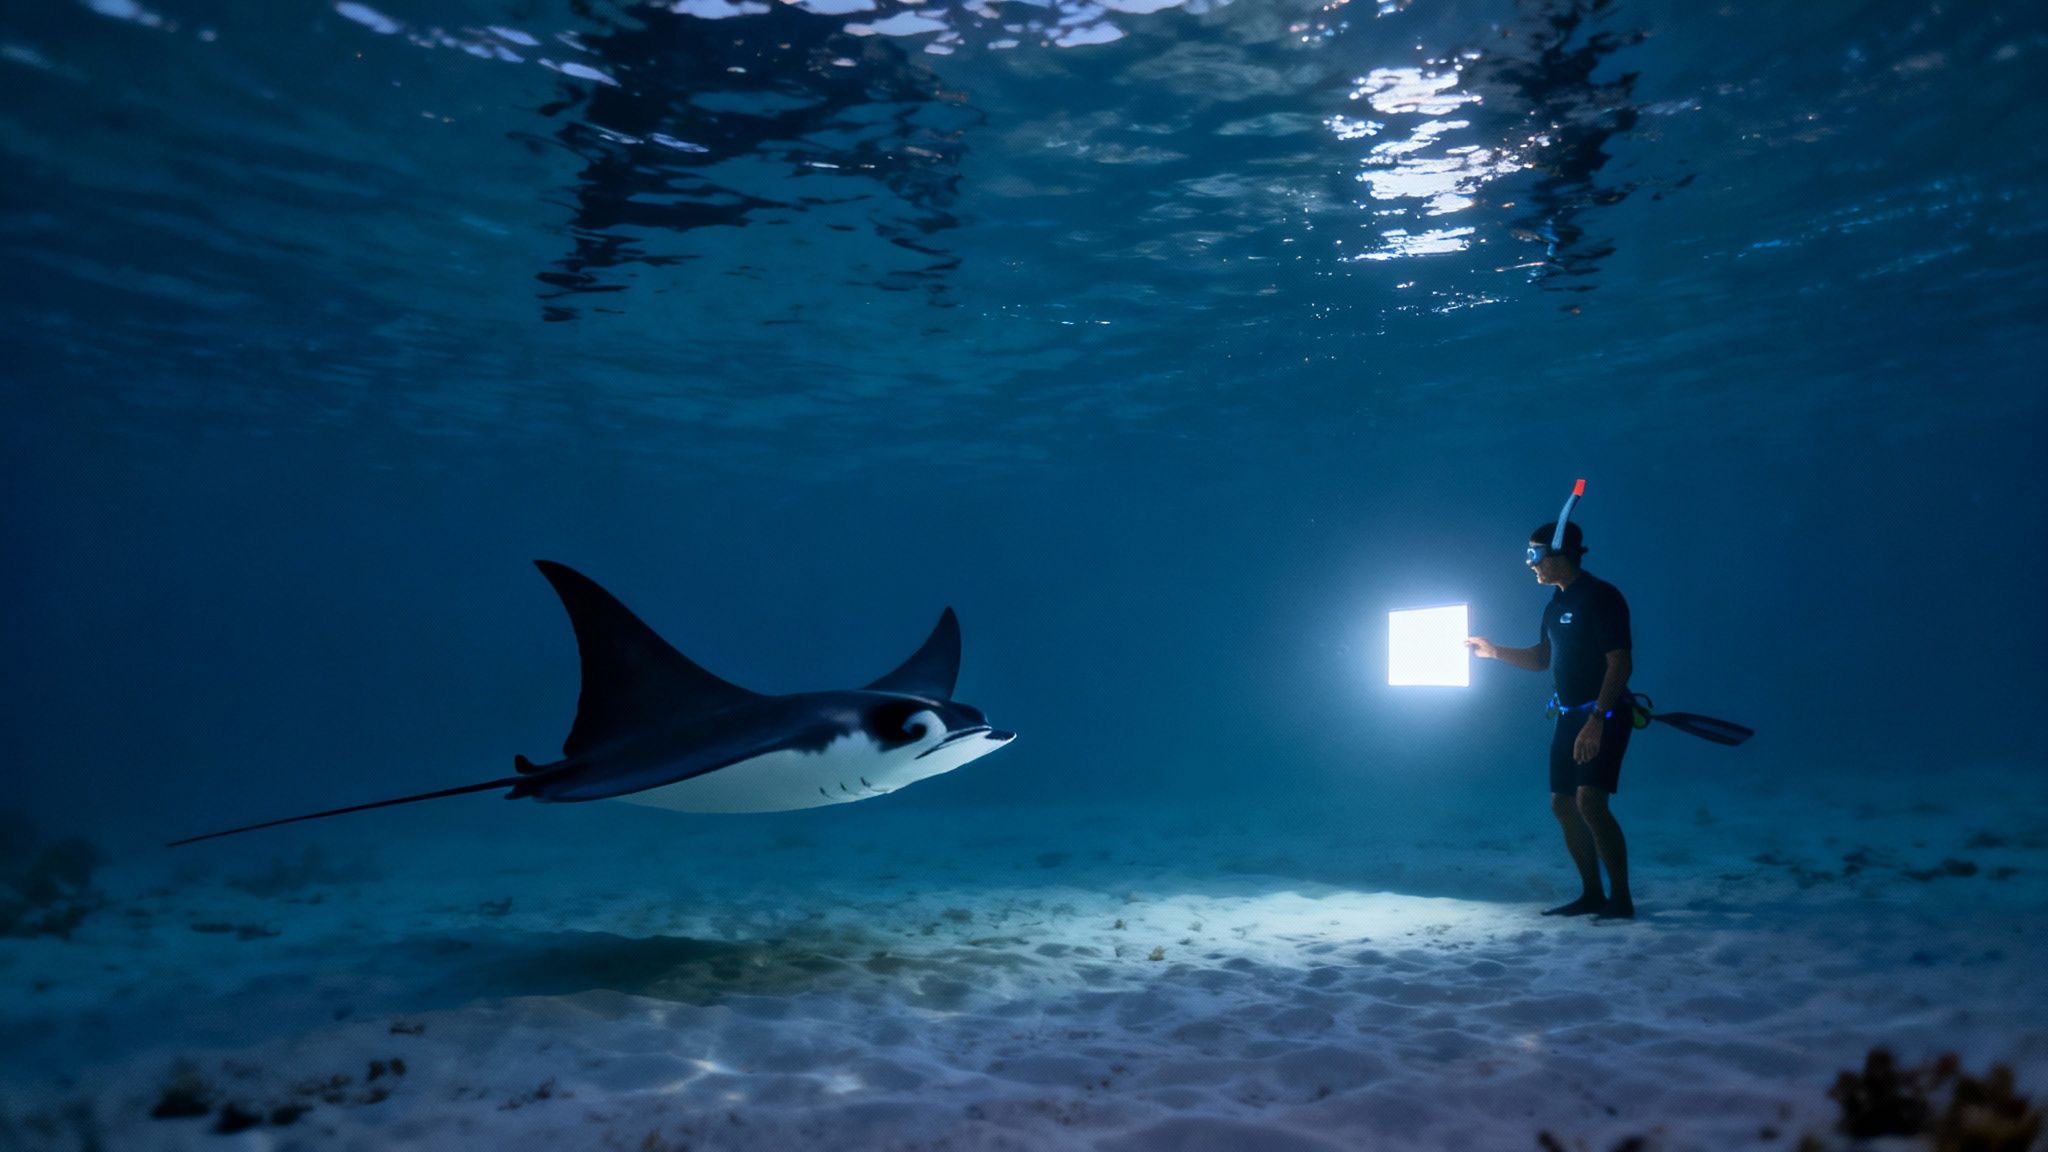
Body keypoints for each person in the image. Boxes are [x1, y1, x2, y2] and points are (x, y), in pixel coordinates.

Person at [1466, 520, 1636, 921]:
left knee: (1590, 802)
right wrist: (1494, 652)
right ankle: (1593, 895)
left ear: (1561, 553)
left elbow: (1620, 663)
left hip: (1604, 715)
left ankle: (1622, 900)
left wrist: (1596, 719)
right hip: (1568, 715)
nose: (1530, 564)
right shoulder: (1555, 604)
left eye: (1535, 554)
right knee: (1563, 804)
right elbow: (1543, 660)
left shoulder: (1602, 597)